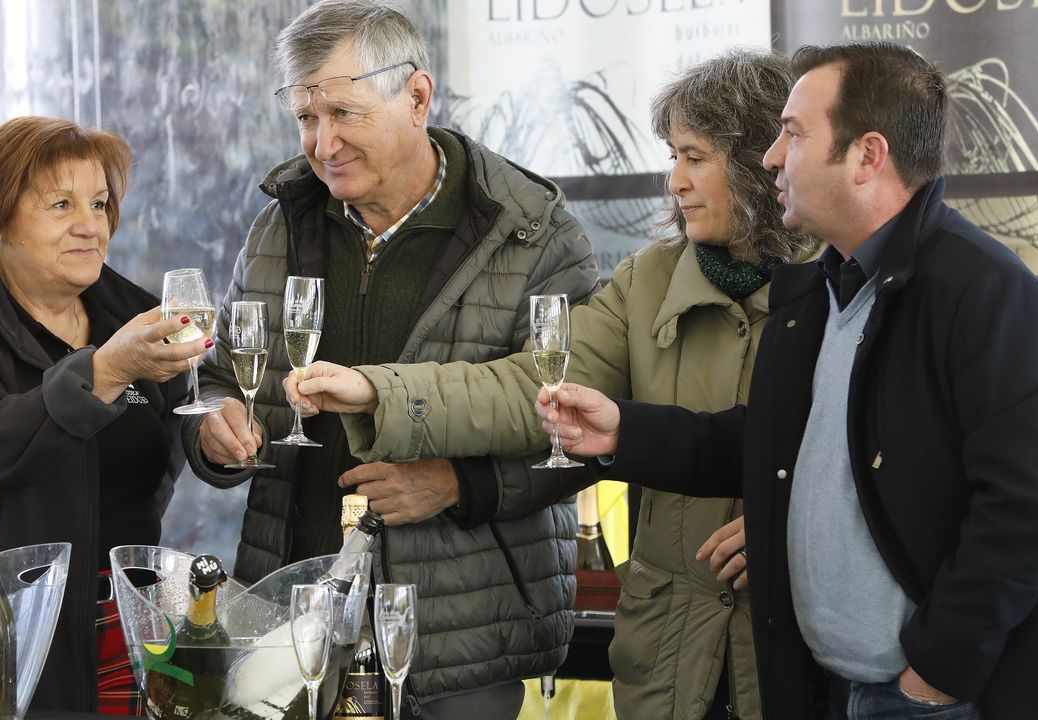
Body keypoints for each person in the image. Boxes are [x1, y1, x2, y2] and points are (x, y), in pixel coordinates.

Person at [530, 43, 1038, 719]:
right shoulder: (824, 292)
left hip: (929, 701)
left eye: (793, 135)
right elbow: (770, 444)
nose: (771, 158)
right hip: (835, 690)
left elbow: (1035, 505)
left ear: (867, 156)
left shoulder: (984, 292)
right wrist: (623, 429)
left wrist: (934, 671)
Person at [290, 49, 818, 720]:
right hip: (672, 662)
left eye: (694, 157)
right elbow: (530, 389)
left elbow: (889, 456)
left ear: (757, 159)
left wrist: (792, 521)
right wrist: (378, 392)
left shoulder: (844, 283)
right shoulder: (644, 282)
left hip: (800, 647)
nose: (675, 181)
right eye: (673, 156)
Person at [179, 1, 597, 717]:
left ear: (417, 97)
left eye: (344, 112)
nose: (322, 142)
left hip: (459, 642)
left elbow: (582, 428)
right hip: (294, 626)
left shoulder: (534, 234)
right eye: (305, 117)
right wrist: (216, 427)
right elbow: (221, 380)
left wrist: (460, 485)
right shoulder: (280, 223)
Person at [0, 116, 206, 713]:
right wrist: (104, 373)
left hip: (125, 639)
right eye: (61, 204)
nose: (91, 226)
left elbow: (165, 451)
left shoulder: (134, 317)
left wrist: (220, 434)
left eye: (101, 204)